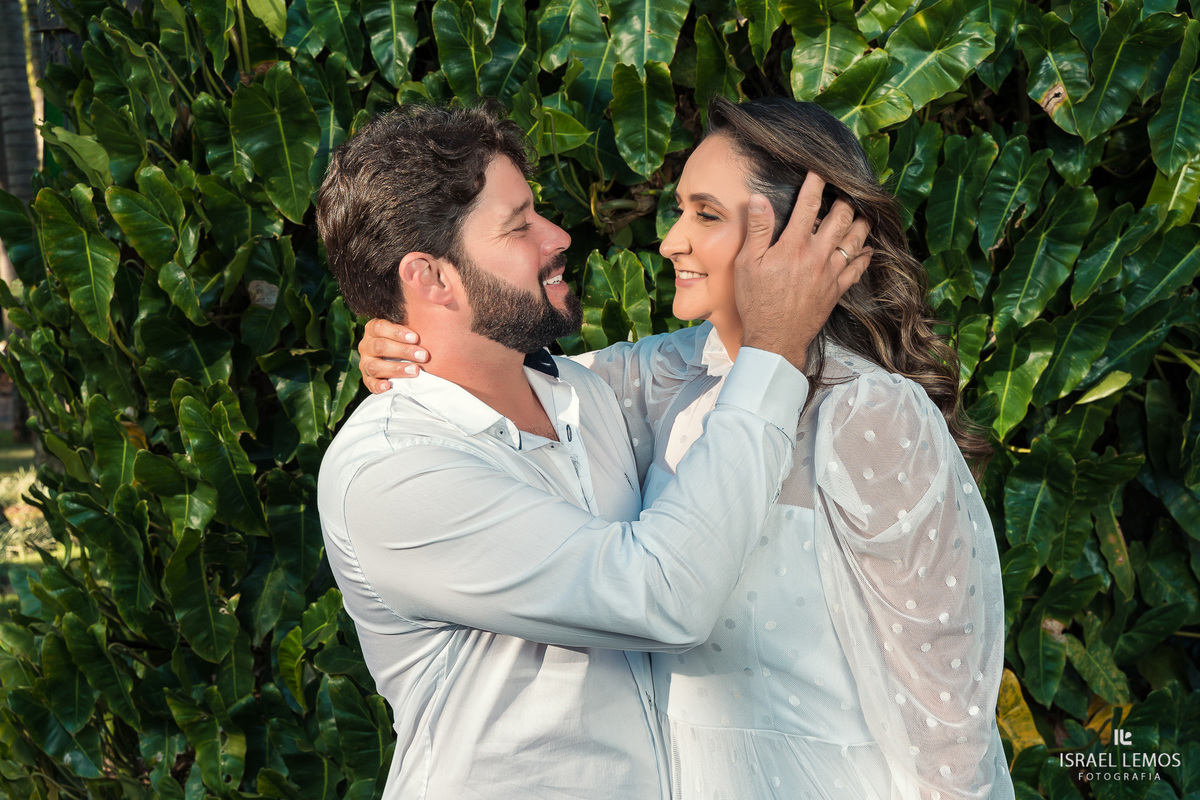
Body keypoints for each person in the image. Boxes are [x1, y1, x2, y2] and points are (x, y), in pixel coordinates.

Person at [359, 97, 1014, 800]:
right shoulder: (662, 386)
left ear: (806, 239)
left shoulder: (868, 413)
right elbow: (501, 375)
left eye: (705, 214)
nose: (671, 241)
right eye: (681, 210)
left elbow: (950, 721)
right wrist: (409, 344)